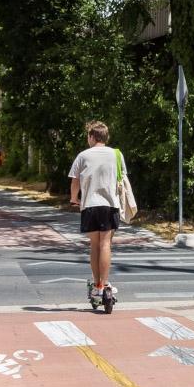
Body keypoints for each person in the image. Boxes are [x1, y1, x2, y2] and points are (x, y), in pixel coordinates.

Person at [69, 120, 127, 306]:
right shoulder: (116, 154)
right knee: (106, 244)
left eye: (88, 136)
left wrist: (74, 198)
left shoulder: (83, 156)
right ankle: (106, 282)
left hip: (90, 205)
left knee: (94, 245)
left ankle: (97, 285)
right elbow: (122, 178)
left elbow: (75, 181)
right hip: (110, 205)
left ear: (92, 137)